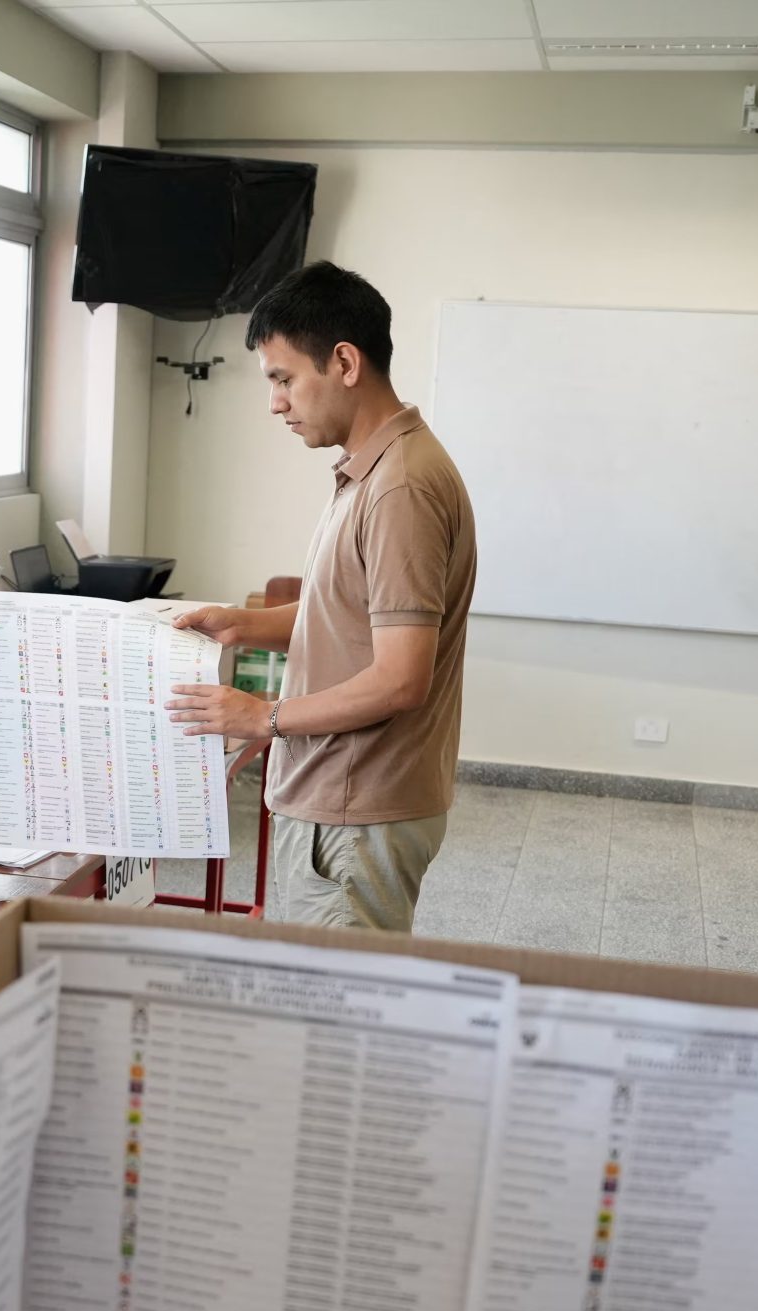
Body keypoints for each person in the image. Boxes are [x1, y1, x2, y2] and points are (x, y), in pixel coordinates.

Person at [168, 262, 478, 933]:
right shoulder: (372, 470)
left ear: (344, 362)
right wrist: (242, 624)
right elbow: (344, 615)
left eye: (283, 379)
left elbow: (401, 679)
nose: (275, 403)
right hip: (340, 798)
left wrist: (265, 716)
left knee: (339, 996)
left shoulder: (399, 487)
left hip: (354, 804)